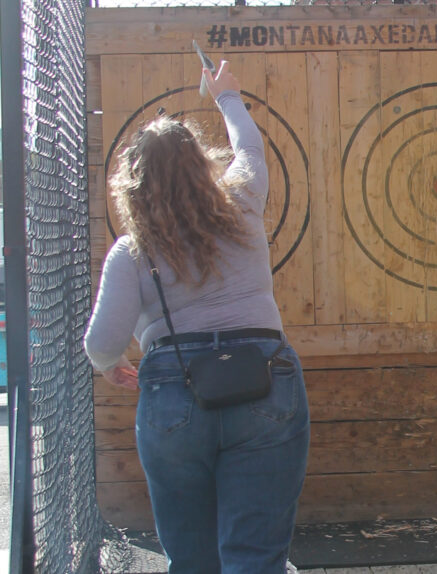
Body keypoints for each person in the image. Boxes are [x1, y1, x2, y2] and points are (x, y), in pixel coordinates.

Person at [84, 62, 310, 574]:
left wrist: (113, 363)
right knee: (255, 558)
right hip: (264, 375)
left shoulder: (131, 251)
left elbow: (101, 340)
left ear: (133, 187)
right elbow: (251, 151)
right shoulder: (244, 205)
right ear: (203, 164)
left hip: (173, 392)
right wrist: (226, 95)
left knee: (191, 560)